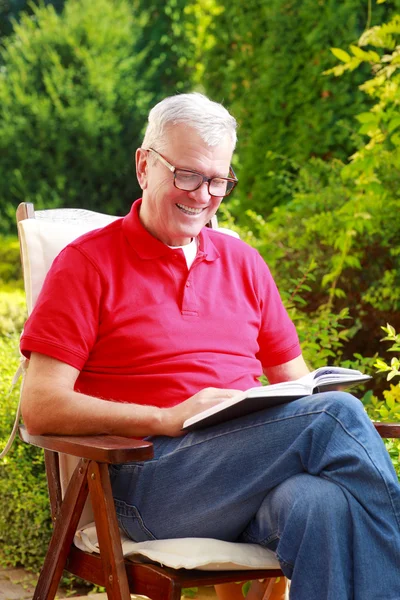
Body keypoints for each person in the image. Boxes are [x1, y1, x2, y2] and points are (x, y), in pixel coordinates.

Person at [20, 93, 400, 600]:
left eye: (217, 180)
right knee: (336, 417)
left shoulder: (245, 263)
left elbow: (299, 387)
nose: (202, 195)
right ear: (143, 165)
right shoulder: (86, 264)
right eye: (187, 175)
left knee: (321, 505)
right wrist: (167, 418)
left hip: (244, 482)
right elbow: (40, 407)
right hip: (150, 482)